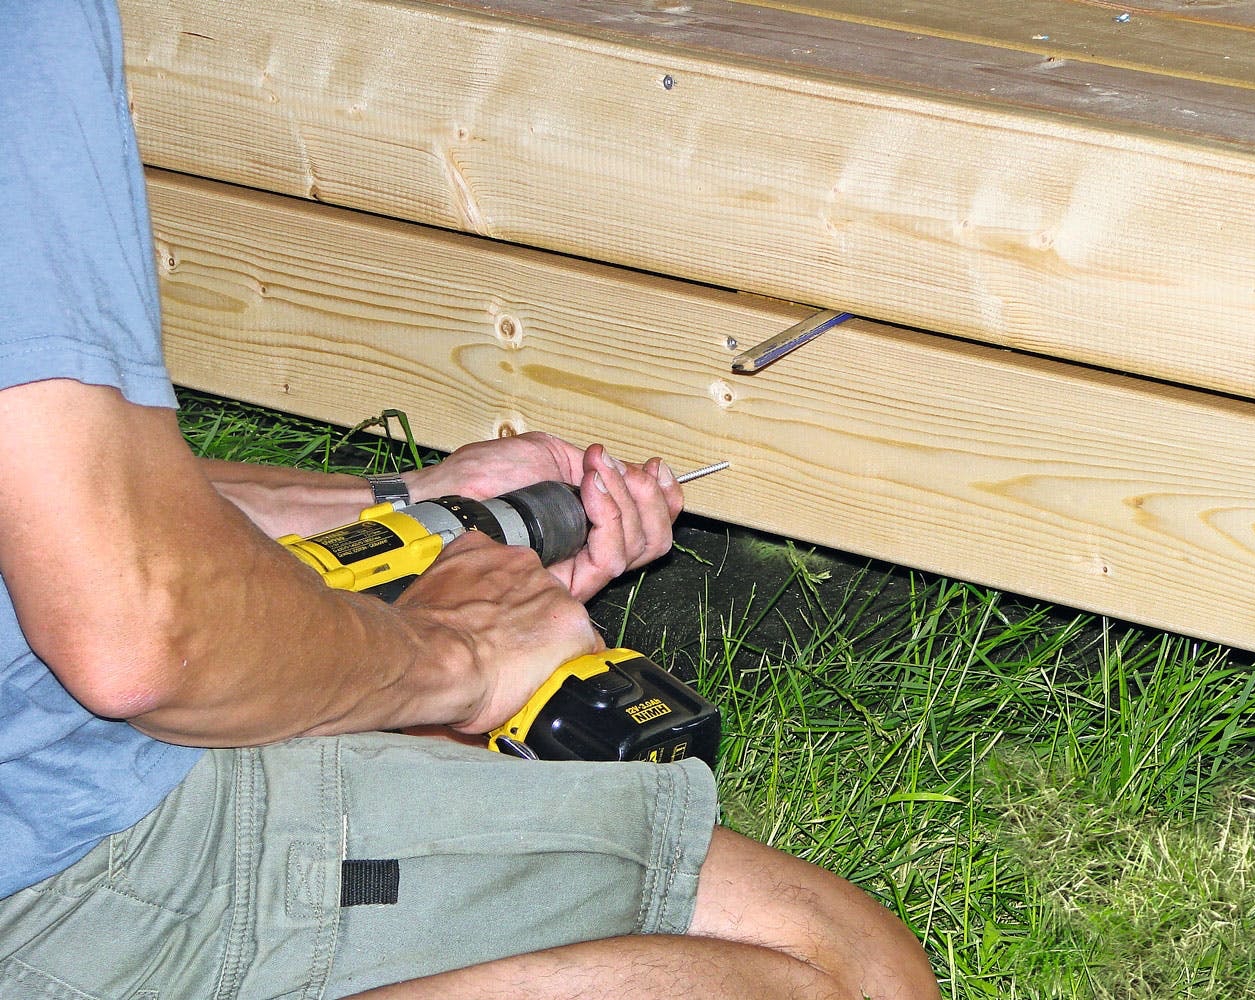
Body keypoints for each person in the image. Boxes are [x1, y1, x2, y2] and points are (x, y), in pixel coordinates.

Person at [0, 2, 940, 998]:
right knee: (846, 966)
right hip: (55, 863)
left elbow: (61, 496)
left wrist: (409, 500)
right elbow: (138, 638)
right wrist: (451, 660)